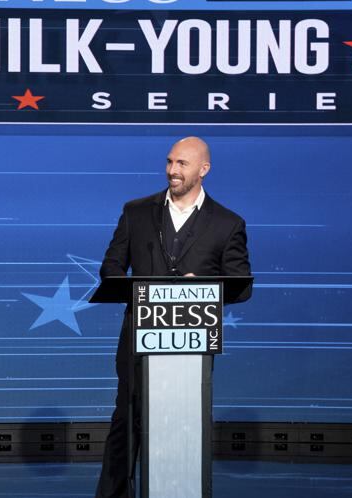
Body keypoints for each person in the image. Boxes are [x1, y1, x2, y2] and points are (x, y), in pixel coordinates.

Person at [95, 136, 252, 498]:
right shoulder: (136, 212)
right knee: (128, 419)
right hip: (139, 337)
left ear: (203, 169)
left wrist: (205, 287)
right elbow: (111, 268)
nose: (172, 170)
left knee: (184, 423)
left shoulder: (228, 223)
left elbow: (241, 285)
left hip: (192, 344)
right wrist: (140, 289)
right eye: (169, 162)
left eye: (182, 163)